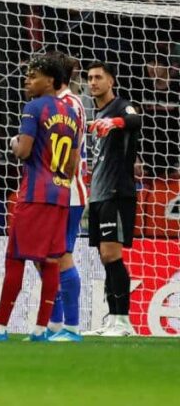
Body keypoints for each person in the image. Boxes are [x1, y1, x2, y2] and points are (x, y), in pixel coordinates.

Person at [0, 56, 80, 342]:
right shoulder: (71, 112)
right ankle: (43, 328)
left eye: (33, 76)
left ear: (50, 81)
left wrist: (14, 143)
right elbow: (72, 162)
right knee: (51, 260)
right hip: (60, 193)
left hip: (35, 194)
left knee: (15, 258)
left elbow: (23, 151)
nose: (27, 80)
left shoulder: (34, 107)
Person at [83, 61, 141, 338]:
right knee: (105, 258)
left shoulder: (121, 107)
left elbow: (136, 120)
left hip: (117, 192)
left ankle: (123, 321)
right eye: (89, 78)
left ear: (111, 81)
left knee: (111, 254)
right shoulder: (97, 113)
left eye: (98, 77)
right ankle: (113, 320)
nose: (93, 82)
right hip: (98, 194)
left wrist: (115, 122)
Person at [43, 52, 88, 342]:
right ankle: (56, 324)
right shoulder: (58, 103)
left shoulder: (69, 104)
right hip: (52, 190)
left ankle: (71, 326)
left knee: (61, 256)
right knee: (45, 257)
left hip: (67, 191)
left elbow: (66, 150)